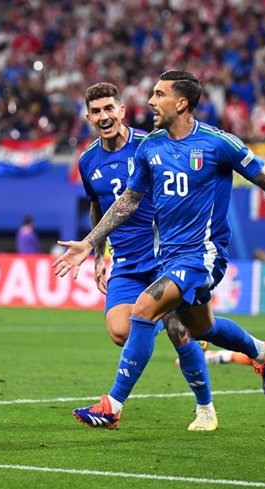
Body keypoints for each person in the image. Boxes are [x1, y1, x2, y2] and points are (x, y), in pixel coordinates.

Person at [54, 70, 265, 430]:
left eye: (159, 94)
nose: (150, 101)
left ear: (181, 102)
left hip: (204, 254)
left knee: (146, 308)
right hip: (169, 257)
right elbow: (127, 202)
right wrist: (89, 244)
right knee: (201, 328)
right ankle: (263, 351)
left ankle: (112, 406)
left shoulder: (218, 143)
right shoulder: (151, 147)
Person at [76, 82, 217, 432]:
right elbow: (98, 207)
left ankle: (206, 410)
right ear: (89, 117)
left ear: (122, 111)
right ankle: (157, 320)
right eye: (96, 111)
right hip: (124, 262)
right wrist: (98, 254)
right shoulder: (87, 160)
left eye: (109, 108)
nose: (104, 116)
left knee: (178, 332)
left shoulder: (151, 145)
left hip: (160, 257)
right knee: (120, 332)